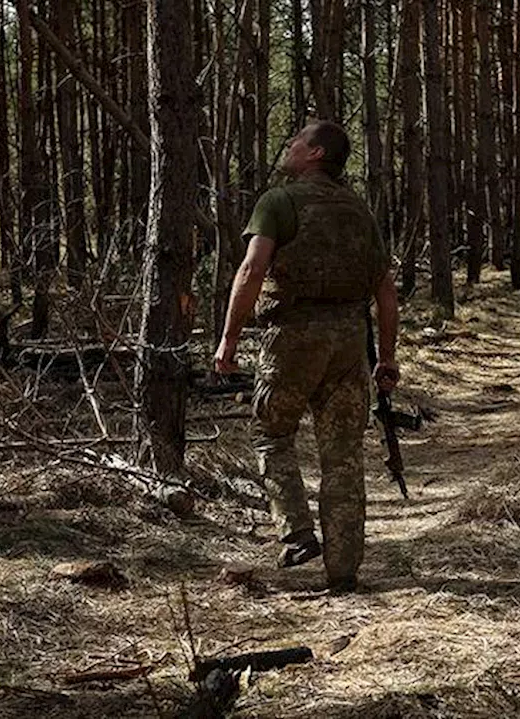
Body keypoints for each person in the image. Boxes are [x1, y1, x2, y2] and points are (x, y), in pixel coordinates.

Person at [213, 121, 400, 592]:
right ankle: (344, 569)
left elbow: (253, 268)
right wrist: (387, 358)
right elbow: (385, 291)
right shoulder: (360, 211)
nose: (289, 147)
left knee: (271, 434)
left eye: (296, 141)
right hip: (348, 342)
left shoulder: (280, 201)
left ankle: (296, 533)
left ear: (315, 153)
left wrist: (229, 340)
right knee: (342, 455)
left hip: (293, 337)